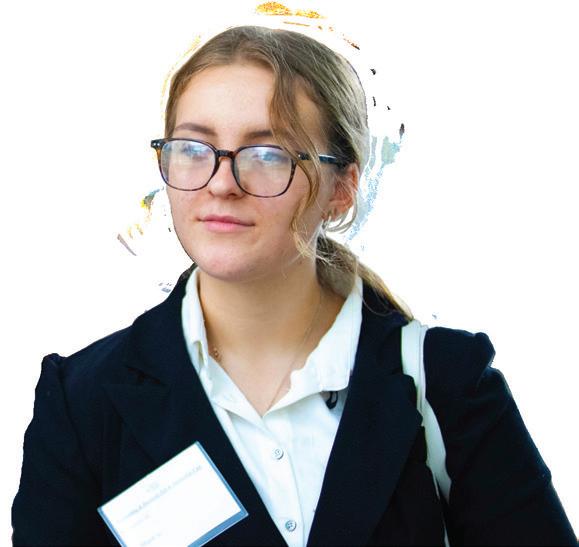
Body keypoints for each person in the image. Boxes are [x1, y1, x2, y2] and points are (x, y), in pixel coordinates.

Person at [11, 24, 576, 546]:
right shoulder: (82, 403)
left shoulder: (448, 384)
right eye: (193, 149)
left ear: (341, 188)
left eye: (267, 154)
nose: (222, 183)